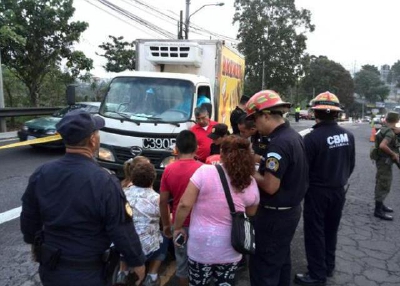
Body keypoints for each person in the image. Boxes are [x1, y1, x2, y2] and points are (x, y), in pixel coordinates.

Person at [20, 109, 146, 286]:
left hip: (51, 269)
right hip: (88, 272)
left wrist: (34, 242)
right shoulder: (105, 181)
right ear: (93, 140)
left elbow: (29, 218)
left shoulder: (42, 173)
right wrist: (137, 261)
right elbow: (121, 229)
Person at [173, 135, 260, 286]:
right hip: (232, 246)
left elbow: (184, 204)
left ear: (221, 153)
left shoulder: (204, 172)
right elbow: (251, 212)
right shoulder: (250, 181)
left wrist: (178, 227)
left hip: (201, 246)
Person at [245, 90, 308, 286]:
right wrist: (258, 160)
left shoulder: (278, 145)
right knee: (280, 262)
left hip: (274, 217)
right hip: (289, 211)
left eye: (255, 119)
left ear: (265, 115)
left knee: (264, 267)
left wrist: (249, 173)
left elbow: (270, 186)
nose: (254, 125)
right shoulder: (292, 136)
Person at [294, 92, 355, 286]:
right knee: (331, 230)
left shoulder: (311, 138)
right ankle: (328, 266)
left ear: (315, 113)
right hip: (338, 190)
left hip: (317, 193)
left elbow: (304, 170)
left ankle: (316, 275)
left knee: (315, 233)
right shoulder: (348, 136)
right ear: (336, 114)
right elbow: (351, 164)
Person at [160, 130, 203, 286]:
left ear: (176, 148)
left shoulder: (168, 170)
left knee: (182, 264)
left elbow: (163, 201)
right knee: (201, 264)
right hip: (202, 224)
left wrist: (166, 225)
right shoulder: (204, 169)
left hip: (179, 225)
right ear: (196, 148)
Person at [118, 161, 168, 286]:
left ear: (132, 178)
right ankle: (152, 275)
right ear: (153, 179)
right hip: (147, 248)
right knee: (165, 235)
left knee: (124, 233)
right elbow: (167, 220)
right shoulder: (157, 199)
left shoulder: (122, 194)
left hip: (122, 243)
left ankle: (122, 272)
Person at [372, 111, 400, 220]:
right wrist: (393, 154)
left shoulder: (383, 128)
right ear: (397, 120)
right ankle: (378, 210)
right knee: (384, 183)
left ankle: (380, 205)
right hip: (385, 161)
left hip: (381, 160)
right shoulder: (389, 132)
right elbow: (383, 146)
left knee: (380, 182)